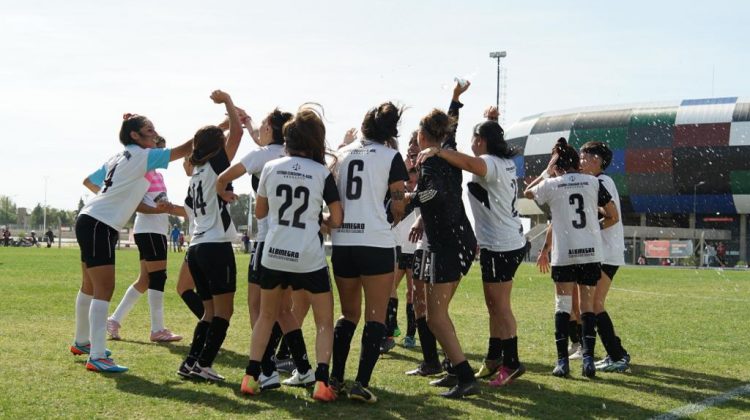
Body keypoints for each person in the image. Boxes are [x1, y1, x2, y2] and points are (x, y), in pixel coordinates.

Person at [72, 112, 192, 372]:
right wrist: (219, 129)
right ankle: (97, 356)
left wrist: (118, 201)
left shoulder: (120, 155)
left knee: (89, 286)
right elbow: (186, 149)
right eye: (148, 129)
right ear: (135, 136)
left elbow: (92, 182)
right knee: (103, 288)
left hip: (90, 218)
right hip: (99, 224)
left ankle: (82, 342)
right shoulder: (141, 155)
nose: (154, 133)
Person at [239, 106, 343, 402]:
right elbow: (335, 219)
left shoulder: (271, 167)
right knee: (324, 320)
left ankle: (250, 376)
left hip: (273, 251)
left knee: (266, 315)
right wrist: (317, 219)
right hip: (308, 254)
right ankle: (321, 382)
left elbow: (261, 211)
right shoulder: (322, 172)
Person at [417, 119, 527, 387]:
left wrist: (439, 151)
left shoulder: (489, 161)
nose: (470, 143)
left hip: (500, 244)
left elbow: (468, 164)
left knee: (500, 306)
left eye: (474, 138)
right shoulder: (503, 161)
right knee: (494, 305)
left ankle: (511, 363)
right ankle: (493, 358)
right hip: (506, 241)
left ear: (481, 141)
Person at [217, 108, 309, 388]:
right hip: (297, 243)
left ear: (270, 129)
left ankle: (266, 369)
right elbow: (261, 139)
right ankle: (305, 369)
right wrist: (248, 124)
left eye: (263, 126)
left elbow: (224, 175)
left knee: (258, 309)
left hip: (268, 242)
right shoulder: (297, 156)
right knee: (283, 310)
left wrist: (223, 190)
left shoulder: (261, 156)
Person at [329, 101, 408, 403]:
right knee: (375, 316)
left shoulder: (342, 152)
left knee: (348, 314)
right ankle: (360, 384)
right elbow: (399, 203)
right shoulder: (391, 156)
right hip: (375, 242)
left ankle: (336, 379)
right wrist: (394, 214)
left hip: (343, 243)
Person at [525, 138, 618, 379]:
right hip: (590, 252)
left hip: (564, 253)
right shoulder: (591, 182)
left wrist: (547, 170)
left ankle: (562, 363)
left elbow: (527, 193)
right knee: (587, 308)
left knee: (563, 307)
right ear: (577, 162)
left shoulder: (553, 183)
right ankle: (588, 360)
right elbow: (613, 214)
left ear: (557, 165)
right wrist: (594, 228)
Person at [405, 108, 479, 398]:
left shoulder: (431, 162)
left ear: (423, 136)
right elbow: (452, 128)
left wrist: (407, 201)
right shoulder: (446, 152)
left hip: (447, 245)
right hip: (456, 241)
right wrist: (456, 102)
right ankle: (451, 369)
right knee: (438, 313)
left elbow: (431, 194)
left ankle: (465, 376)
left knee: (435, 317)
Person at [177, 89, 243, 381]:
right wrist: (228, 103)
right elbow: (238, 134)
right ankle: (203, 364)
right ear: (216, 148)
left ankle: (191, 362)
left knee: (208, 312)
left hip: (196, 247)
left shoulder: (195, 171)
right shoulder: (215, 166)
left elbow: (192, 206)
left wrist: (223, 196)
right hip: (215, 246)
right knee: (223, 313)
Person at [105, 135, 183, 343]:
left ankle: (114, 320)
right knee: (158, 278)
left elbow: (160, 204)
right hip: (149, 230)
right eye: (160, 149)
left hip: (155, 230)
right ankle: (157, 329)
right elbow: (135, 203)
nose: (163, 155)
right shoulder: (142, 174)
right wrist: (156, 210)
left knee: (145, 280)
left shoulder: (157, 175)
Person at [578, 141, 631, 373]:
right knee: (591, 304)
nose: (580, 161)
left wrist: (592, 230)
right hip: (607, 252)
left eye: (583, 157)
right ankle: (615, 353)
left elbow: (613, 217)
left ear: (596, 160)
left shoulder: (601, 182)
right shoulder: (599, 181)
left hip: (607, 252)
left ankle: (617, 355)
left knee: (594, 304)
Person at [383, 166, 419, 351]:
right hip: (398, 250)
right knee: (390, 289)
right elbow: (389, 217)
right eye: (408, 183)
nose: (410, 186)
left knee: (412, 294)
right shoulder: (397, 199)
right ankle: (392, 327)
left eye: (414, 182)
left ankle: (410, 334)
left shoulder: (421, 197)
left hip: (415, 251)